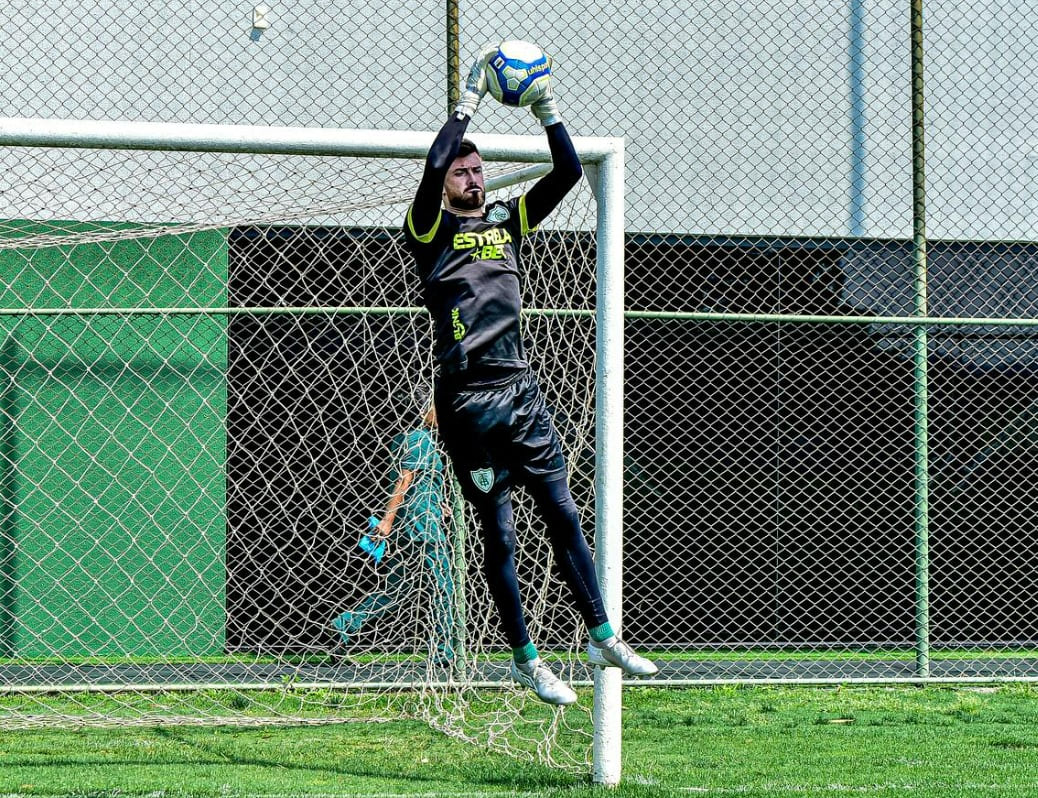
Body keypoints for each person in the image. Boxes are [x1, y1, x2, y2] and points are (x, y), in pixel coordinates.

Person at [401, 45, 657, 705]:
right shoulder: (428, 229)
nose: (472, 174)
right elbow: (433, 162)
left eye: (479, 168)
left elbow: (568, 169)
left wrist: (546, 108)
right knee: (501, 531)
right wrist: (469, 101)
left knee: (562, 509)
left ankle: (602, 632)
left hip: (520, 388)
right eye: (463, 169)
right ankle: (524, 657)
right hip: (466, 401)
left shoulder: (507, 222)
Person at [332, 398, 457, 665]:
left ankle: (347, 622)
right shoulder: (417, 439)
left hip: (421, 518)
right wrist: (388, 521)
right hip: (421, 527)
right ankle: (444, 651)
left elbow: (421, 483)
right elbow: (404, 480)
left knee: (397, 589)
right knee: (443, 585)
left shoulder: (417, 439)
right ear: (425, 409)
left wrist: (438, 503)